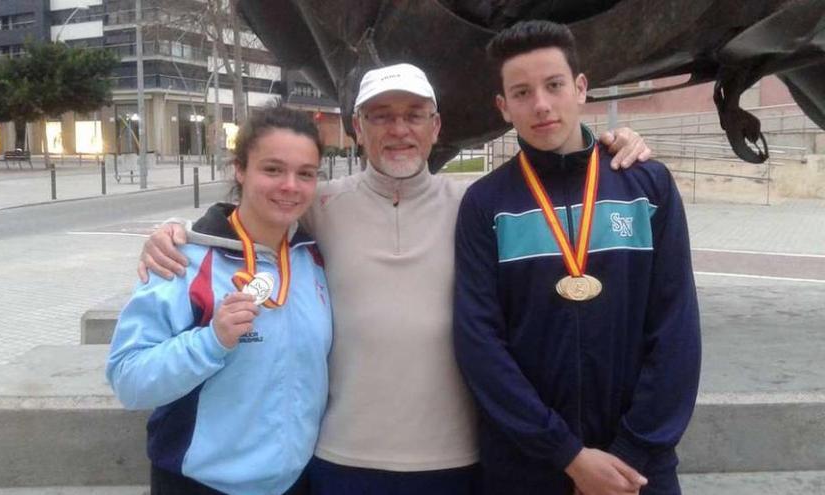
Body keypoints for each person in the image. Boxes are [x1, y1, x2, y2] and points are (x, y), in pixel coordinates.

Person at [138, 63, 651, 495]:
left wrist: (612, 145)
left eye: (413, 116)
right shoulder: (321, 202)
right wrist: (179, 233)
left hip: (458, 457)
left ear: (436, 127)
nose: (398, 130)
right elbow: (256, 207)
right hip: (340, 457)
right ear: (358, 127)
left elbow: (567, 187)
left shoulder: (478, 204)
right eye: (381, 117)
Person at [453, 20, 701, 495]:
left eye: (554, 85)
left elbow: (676, 330)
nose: (541, 104)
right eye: (521, 93)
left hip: (637, 468)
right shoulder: (486, 204)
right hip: (528, 467)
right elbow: (480, 343)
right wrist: (566, 454)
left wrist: (632, 452)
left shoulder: (646, 187)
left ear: (581, 88)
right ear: (503, 107)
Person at [107, 106, 332, 495]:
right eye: (273, 169)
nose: (291, 186)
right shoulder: (184, 258)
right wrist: (211, 341)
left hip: (294, 482)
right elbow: (128, 378)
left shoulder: (313, 257)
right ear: (240, 170)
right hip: (202, 484)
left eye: (306, 173)